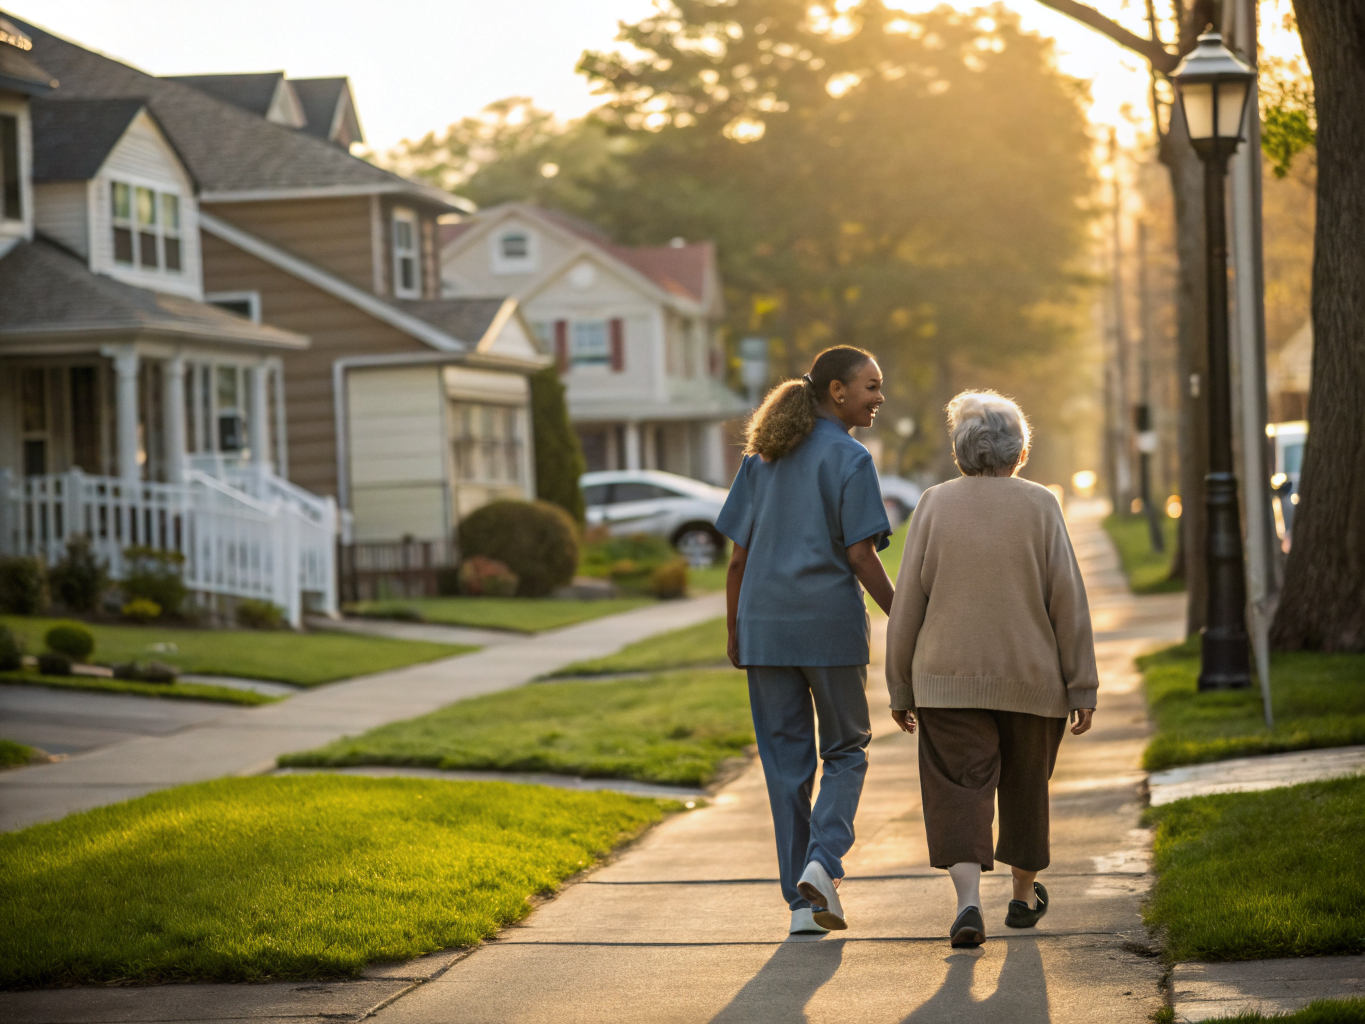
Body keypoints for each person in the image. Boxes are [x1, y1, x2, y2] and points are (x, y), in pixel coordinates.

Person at [884, 390, 1097, 948]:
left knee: (959, 791)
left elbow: (909, 601)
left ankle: (968, 903)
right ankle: (1023, 898)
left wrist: (899, 685)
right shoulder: (1042, 506)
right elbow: (1066, 602)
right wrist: (1082, 685)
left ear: (959, 452)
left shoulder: (932, 503)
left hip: (945, 681)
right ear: (1019, 452)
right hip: (1032, 679)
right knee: (1027, 787)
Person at [717, 345, 895, 936]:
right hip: (829, 630)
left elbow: (737, 559)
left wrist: (736, 628)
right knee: (846, 749)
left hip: (765, 631)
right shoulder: (850, 458)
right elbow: (861, 554)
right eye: (870, 387)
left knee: (785, 766)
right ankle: (822, 864)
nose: (878, 398)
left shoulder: (762, 458)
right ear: (836, 391)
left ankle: (801, 908)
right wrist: (904, 614)